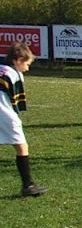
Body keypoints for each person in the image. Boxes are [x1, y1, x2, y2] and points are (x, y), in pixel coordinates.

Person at [0, 43, 48, 197]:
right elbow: (16, 102)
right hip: (3, 111)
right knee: (22, 146)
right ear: (18, 60)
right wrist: (15, 118)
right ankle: (28, 185)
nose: (27, 68)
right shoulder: (14, 74)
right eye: (27, 64)